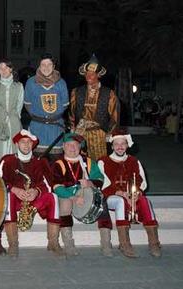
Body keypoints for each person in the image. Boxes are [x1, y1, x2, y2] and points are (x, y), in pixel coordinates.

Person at [0, 129, 64, 258]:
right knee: (9, 197)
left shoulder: (40, 162)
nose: (27, 145)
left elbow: (49, 185)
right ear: (17, 143)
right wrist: (14, 189)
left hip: (34, 199)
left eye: (29, 142)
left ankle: (53, 242)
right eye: (23, 142)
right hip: (15, 199)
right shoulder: (7, 160)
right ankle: (13, 244)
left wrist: (36, 191)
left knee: (53, 197)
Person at [97, 129, 161, 258]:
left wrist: (137, 191)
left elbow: (141, 180)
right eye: (117, 144)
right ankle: (124, 243)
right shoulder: (103, 161)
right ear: (112, 146)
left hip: (130, 195)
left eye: (123, 144)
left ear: (127, 145)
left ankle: (154, 243)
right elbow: (102, 184)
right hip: (112, 197)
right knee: (120, 201)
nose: (120, 147)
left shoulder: (134, 161)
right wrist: (118, 192)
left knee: (145, 201)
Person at [51, 133, 104, 256]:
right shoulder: (58, 163)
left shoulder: (89, 162)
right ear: (63, 146)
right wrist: (73, 197)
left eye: (75, 145)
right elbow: (56, 186)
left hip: (85, 192)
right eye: (69, 145)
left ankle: (105, 243)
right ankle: (68, 242)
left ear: (80, 147)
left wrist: (90, 182)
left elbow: (100, 179)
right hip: (67, 195)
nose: (73, 148)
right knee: (65, 204)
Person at [70, 54, 119, 160]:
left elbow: (114, 115)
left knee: (99, 162)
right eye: (87, 73)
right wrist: (72, 128)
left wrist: (110, 133)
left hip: (99, 132)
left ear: (98, 75)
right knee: (80, 160)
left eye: (92, 74)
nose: (89, 76)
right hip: (80, 132)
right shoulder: (77, 91)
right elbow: (72, 112)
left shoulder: (108, 93)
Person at [24, 53, 69, 161]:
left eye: (49, 64)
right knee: (37, 163)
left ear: (53, 66)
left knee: (56, 163)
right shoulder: (31, 82)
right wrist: (40, 117)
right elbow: (28, 104)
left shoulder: (61, 83)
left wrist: (52, 117)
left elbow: (64, 105)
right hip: (37, 129)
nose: (46, 67)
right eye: (43, 64)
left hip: (55, 129)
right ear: (39, 66)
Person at [0, 59, 24, 165]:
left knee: (14, 148)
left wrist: (13, 118)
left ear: (11, 69)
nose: (3, 70)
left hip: (13, 122)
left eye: (6, 67)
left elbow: (19, 106)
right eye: (1, 68)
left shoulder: (19, 86)